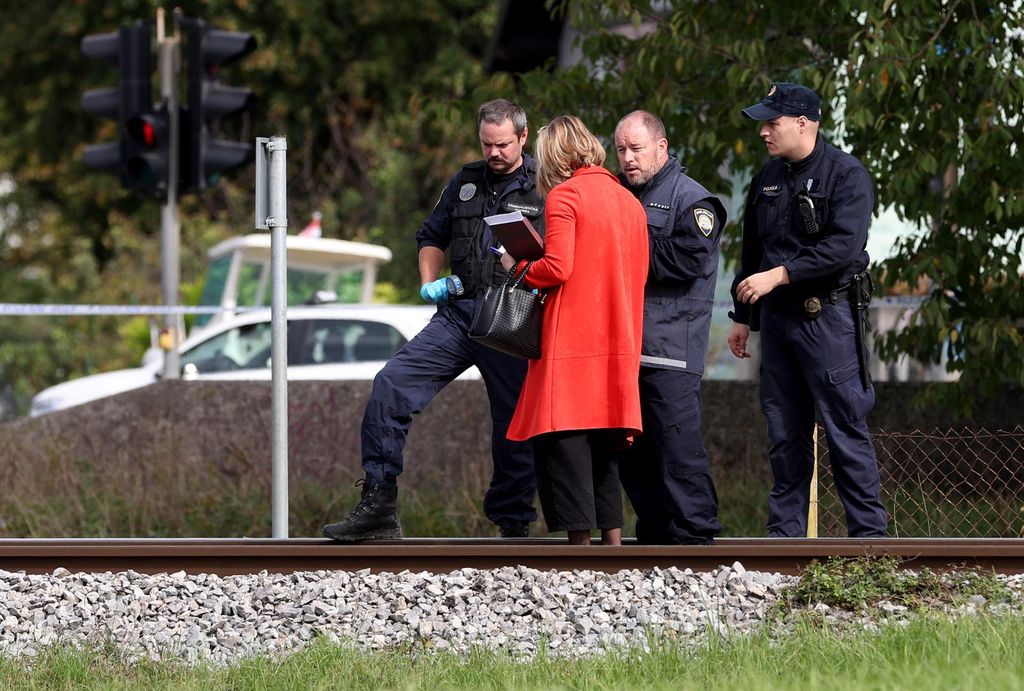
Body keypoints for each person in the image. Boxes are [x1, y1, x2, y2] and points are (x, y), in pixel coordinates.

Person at [322, 99, 544, 541]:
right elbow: (431, 235)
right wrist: (429, 282)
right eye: (486, 144)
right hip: (458, 315)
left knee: (515, 422)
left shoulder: (545, 184)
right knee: (391, 383)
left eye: (502, 144)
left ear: (522, 137)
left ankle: (513, 525)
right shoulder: (465, 181)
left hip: (511, 315)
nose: (494, 153)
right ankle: (379, 505)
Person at [728, 82, 888, 538]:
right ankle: (785, 540)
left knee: (844, 429)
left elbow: (842, 249)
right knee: (784, 433)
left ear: (803, 123)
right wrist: (743, 318)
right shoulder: (767, 178)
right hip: (777, 323)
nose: (763, 132)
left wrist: (779, 276)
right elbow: (752, 250)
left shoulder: (847, 174)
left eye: (771, 122)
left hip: (828, 319)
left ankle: (869, 540)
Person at [503, 115, 649, 546]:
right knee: (604, 448)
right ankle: (613, 545)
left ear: (556, 156)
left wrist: (519, 265)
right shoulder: (629, 202)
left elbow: (558, 267)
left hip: (571, 343)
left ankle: (580, 552)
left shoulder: (565, 197)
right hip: (617, 339)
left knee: (563, 445)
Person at [612, 111, 726, 545]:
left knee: (677, 450)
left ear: (661, 147)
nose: (627, 158)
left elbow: (686, 261)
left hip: (670, 351)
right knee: (632, 456)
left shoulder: (694, 200)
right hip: (624, 350)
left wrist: (624, 247)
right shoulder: (619, 194)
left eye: (636, 149)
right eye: (621, 149)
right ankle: (657, 541)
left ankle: (697, 538)